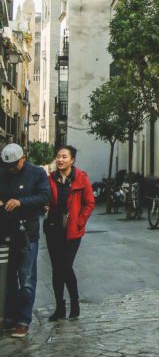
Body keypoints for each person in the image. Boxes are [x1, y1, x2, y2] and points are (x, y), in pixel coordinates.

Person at [0, 142, 51, 338]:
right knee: (8, 277)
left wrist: (21, 202)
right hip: (6, 230)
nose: (11, 170)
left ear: (23, 158)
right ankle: (11, 316)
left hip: (27, 232)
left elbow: (45, 196)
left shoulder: (37, 173)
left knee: (27, 277)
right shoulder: (4, 171)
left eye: (15, 165)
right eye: (8, 166)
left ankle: (23, 319)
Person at [44, 145, 95, 321]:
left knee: (65, 267)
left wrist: (80, 221)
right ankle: (60, 308)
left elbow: (90, 202)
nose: (60, 160)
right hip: (53, 229)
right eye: (58, 156)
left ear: (72, 160)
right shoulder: (51, 179)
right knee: (56, 270)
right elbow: (46, 198)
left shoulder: (81, 178)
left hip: (72, 231)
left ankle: (75, 302)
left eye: (64, 157)